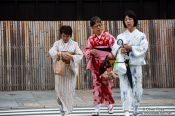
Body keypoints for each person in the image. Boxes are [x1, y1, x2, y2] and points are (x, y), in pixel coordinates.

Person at [112, 10, 148, 116]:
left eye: (130, 19)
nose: (127, 21)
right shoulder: (120, 36)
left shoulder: (141, 35)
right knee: (124, 87)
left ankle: (136, 108)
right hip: (124, 65)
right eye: (126, 19)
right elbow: (114, 48)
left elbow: (144, 47)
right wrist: (120, 49)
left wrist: (131, 47)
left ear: (134, 20)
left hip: (136, 65)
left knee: (137, 87)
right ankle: (127, 110)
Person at [83, 16, 116, 116]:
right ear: (92, 28)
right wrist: (91, 51)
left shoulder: (109, 37)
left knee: (108, 84)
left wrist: (111, 59)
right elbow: (86, 50)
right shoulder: (91, 39)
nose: (99, 28)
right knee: (96, 86)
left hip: (107, 63)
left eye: (100, 25)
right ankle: (97, 108)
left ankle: (110, 105)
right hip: (95, 64)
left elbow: (115, 49)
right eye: (96, 26)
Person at [49, 25, 83, 116]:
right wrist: (60, 53)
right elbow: (51, 52)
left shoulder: (74, 44)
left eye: (67, 36)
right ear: (61, 34)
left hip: (70, 70)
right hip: (60, 70)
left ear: (70, 36)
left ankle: (67, 110)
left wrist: (71, 56)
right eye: (63, 35)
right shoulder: (57, 43)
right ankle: (63, 109)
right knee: (58, 91)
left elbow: (80, 55)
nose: (65, 38)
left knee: (69, 92)